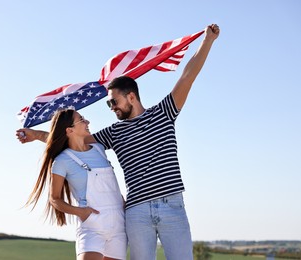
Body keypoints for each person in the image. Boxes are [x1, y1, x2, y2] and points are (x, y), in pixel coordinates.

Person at [18, 24, 220, 260]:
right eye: (109, 104)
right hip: (136, 212)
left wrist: (207, 41)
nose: (111, 108)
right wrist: (35, 135)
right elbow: (72, 139)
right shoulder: (114, 133)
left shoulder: (164, 113)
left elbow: (188, 77)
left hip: (171, 206)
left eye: (113, 102)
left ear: (131, 96)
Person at [24, 109, 127, 260]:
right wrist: (80, 212)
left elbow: (55, 138)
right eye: (82, 120)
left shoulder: (99, 148)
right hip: (92, 226)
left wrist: (35, 134)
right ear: (70, 130)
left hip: (118, 224)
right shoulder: (62, 161)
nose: (87, 122)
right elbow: (55, 199)